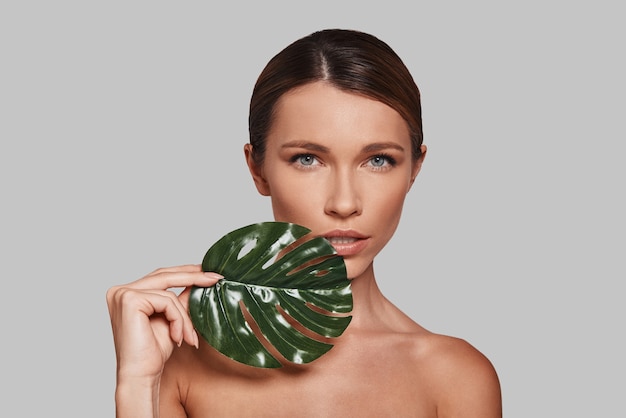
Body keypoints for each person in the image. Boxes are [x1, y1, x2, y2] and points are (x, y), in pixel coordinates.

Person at [106, 28, 502, 417]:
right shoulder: (181, 362)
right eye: (307, 159)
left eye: (378, 160)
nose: (344, 203)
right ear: (257, 169)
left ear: (414, 169)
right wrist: (138, 385)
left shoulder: (455, 377)